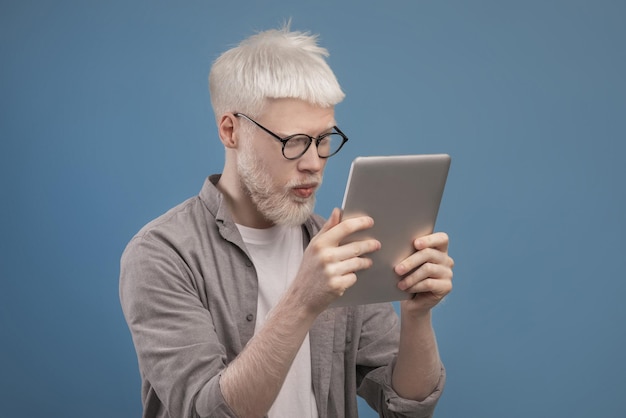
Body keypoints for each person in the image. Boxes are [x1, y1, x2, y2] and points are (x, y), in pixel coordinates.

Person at [119, 24, 454, 418]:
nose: (313, 162)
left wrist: (417, 315)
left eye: (324, 138)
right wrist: (302, 300)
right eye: (292, 141)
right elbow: (206, 412)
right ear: (231, 130)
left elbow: (407, 407)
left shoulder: (339, 246)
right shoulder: (162, 253)